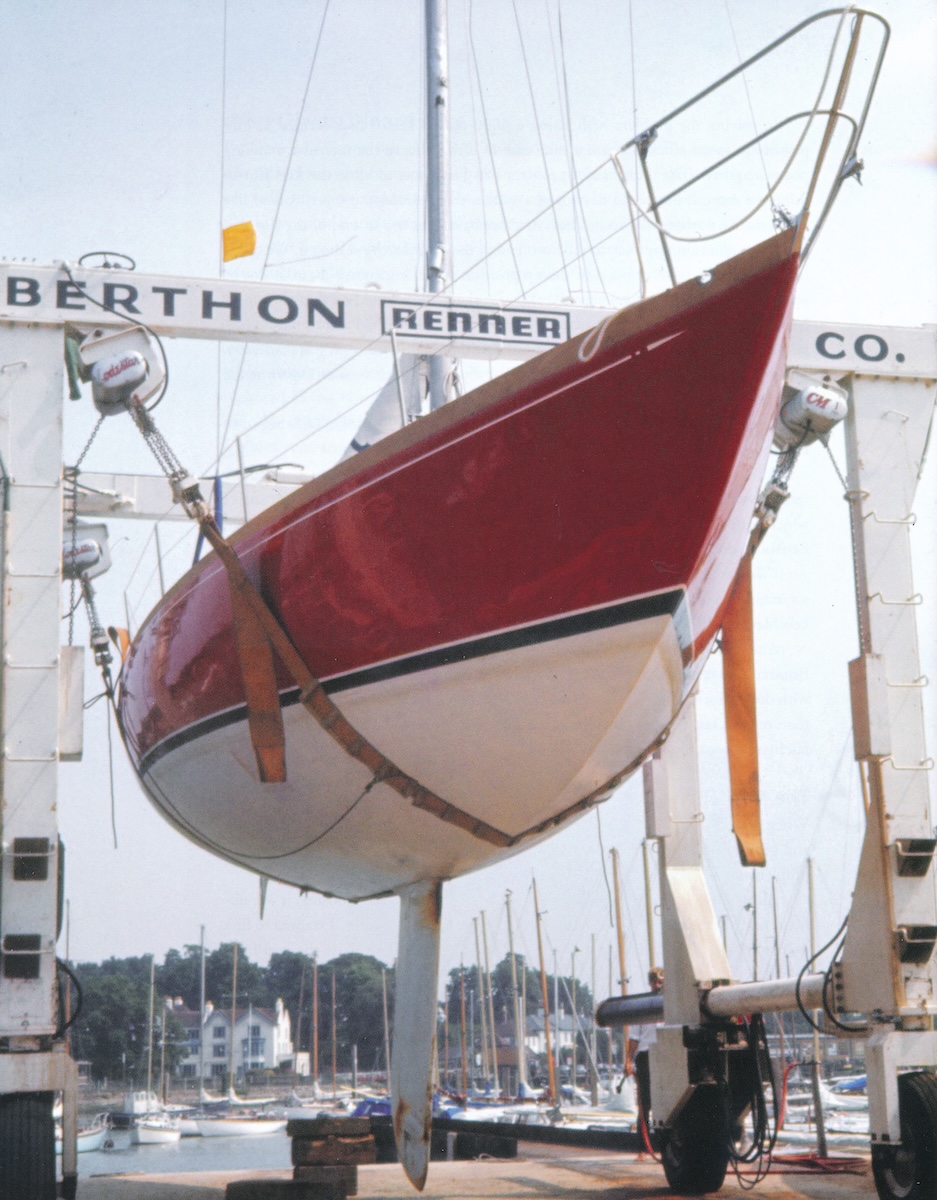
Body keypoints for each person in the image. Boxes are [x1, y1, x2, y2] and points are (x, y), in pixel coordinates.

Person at [626, 967, 664, 1130]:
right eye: (654, 982)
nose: (657, 985)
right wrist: (628, 1061)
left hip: (664, 1055)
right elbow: (634, 1038)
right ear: (650, 983)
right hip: (645, 1057)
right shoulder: (642, 1007)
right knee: (644, 1103)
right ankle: (643, 1148)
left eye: (660, 982)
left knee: (664, 1101)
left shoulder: (672, 1006)